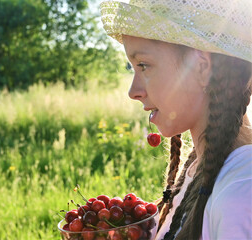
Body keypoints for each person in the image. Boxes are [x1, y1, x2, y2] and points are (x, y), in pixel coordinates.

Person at [100, 0, 252, 239]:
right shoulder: (198, 167)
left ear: (202, 68)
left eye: (144, 65)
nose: (133, 91)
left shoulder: (240, 193)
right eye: (133, 69)